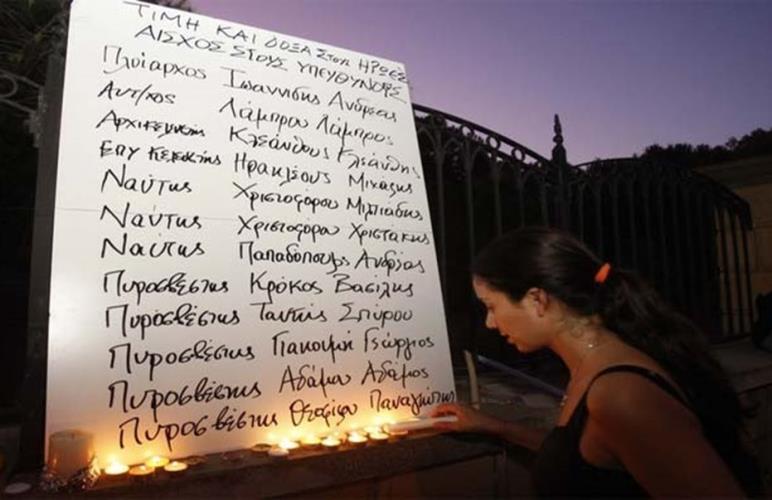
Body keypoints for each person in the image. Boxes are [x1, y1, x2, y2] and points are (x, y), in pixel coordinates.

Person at [431, 227, 761, 497]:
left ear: (537, 300)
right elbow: (583, 461)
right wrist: (496, 427)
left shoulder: (620, 394)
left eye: (491, 306)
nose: (489, 322)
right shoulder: (593, 368)